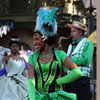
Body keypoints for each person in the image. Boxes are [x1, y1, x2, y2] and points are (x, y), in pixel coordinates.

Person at [25, 7, 82, 100]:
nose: (34, 42)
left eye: (37, 39)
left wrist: (60, 81)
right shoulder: (32, 58)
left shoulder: (60, 55)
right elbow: (31, 82)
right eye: (33, 39)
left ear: (45, 38)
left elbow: (77, 73)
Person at [65, 21, 94, 100]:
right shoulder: (70, 45)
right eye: (71, 31)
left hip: (81, 80)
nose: (71, 33)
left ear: (80, 32)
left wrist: (70, 60)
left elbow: (86, 60)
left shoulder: (88, 43)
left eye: (73, 31)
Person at [0, 36, 28, 100]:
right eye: (13, 46)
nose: (15, 48)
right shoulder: (6, 58)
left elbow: (25, 72)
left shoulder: (22, 59)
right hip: (9, 81)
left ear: (19, 47)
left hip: (21, 80)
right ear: (10, 47)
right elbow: (1, 67)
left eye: (17, 46)